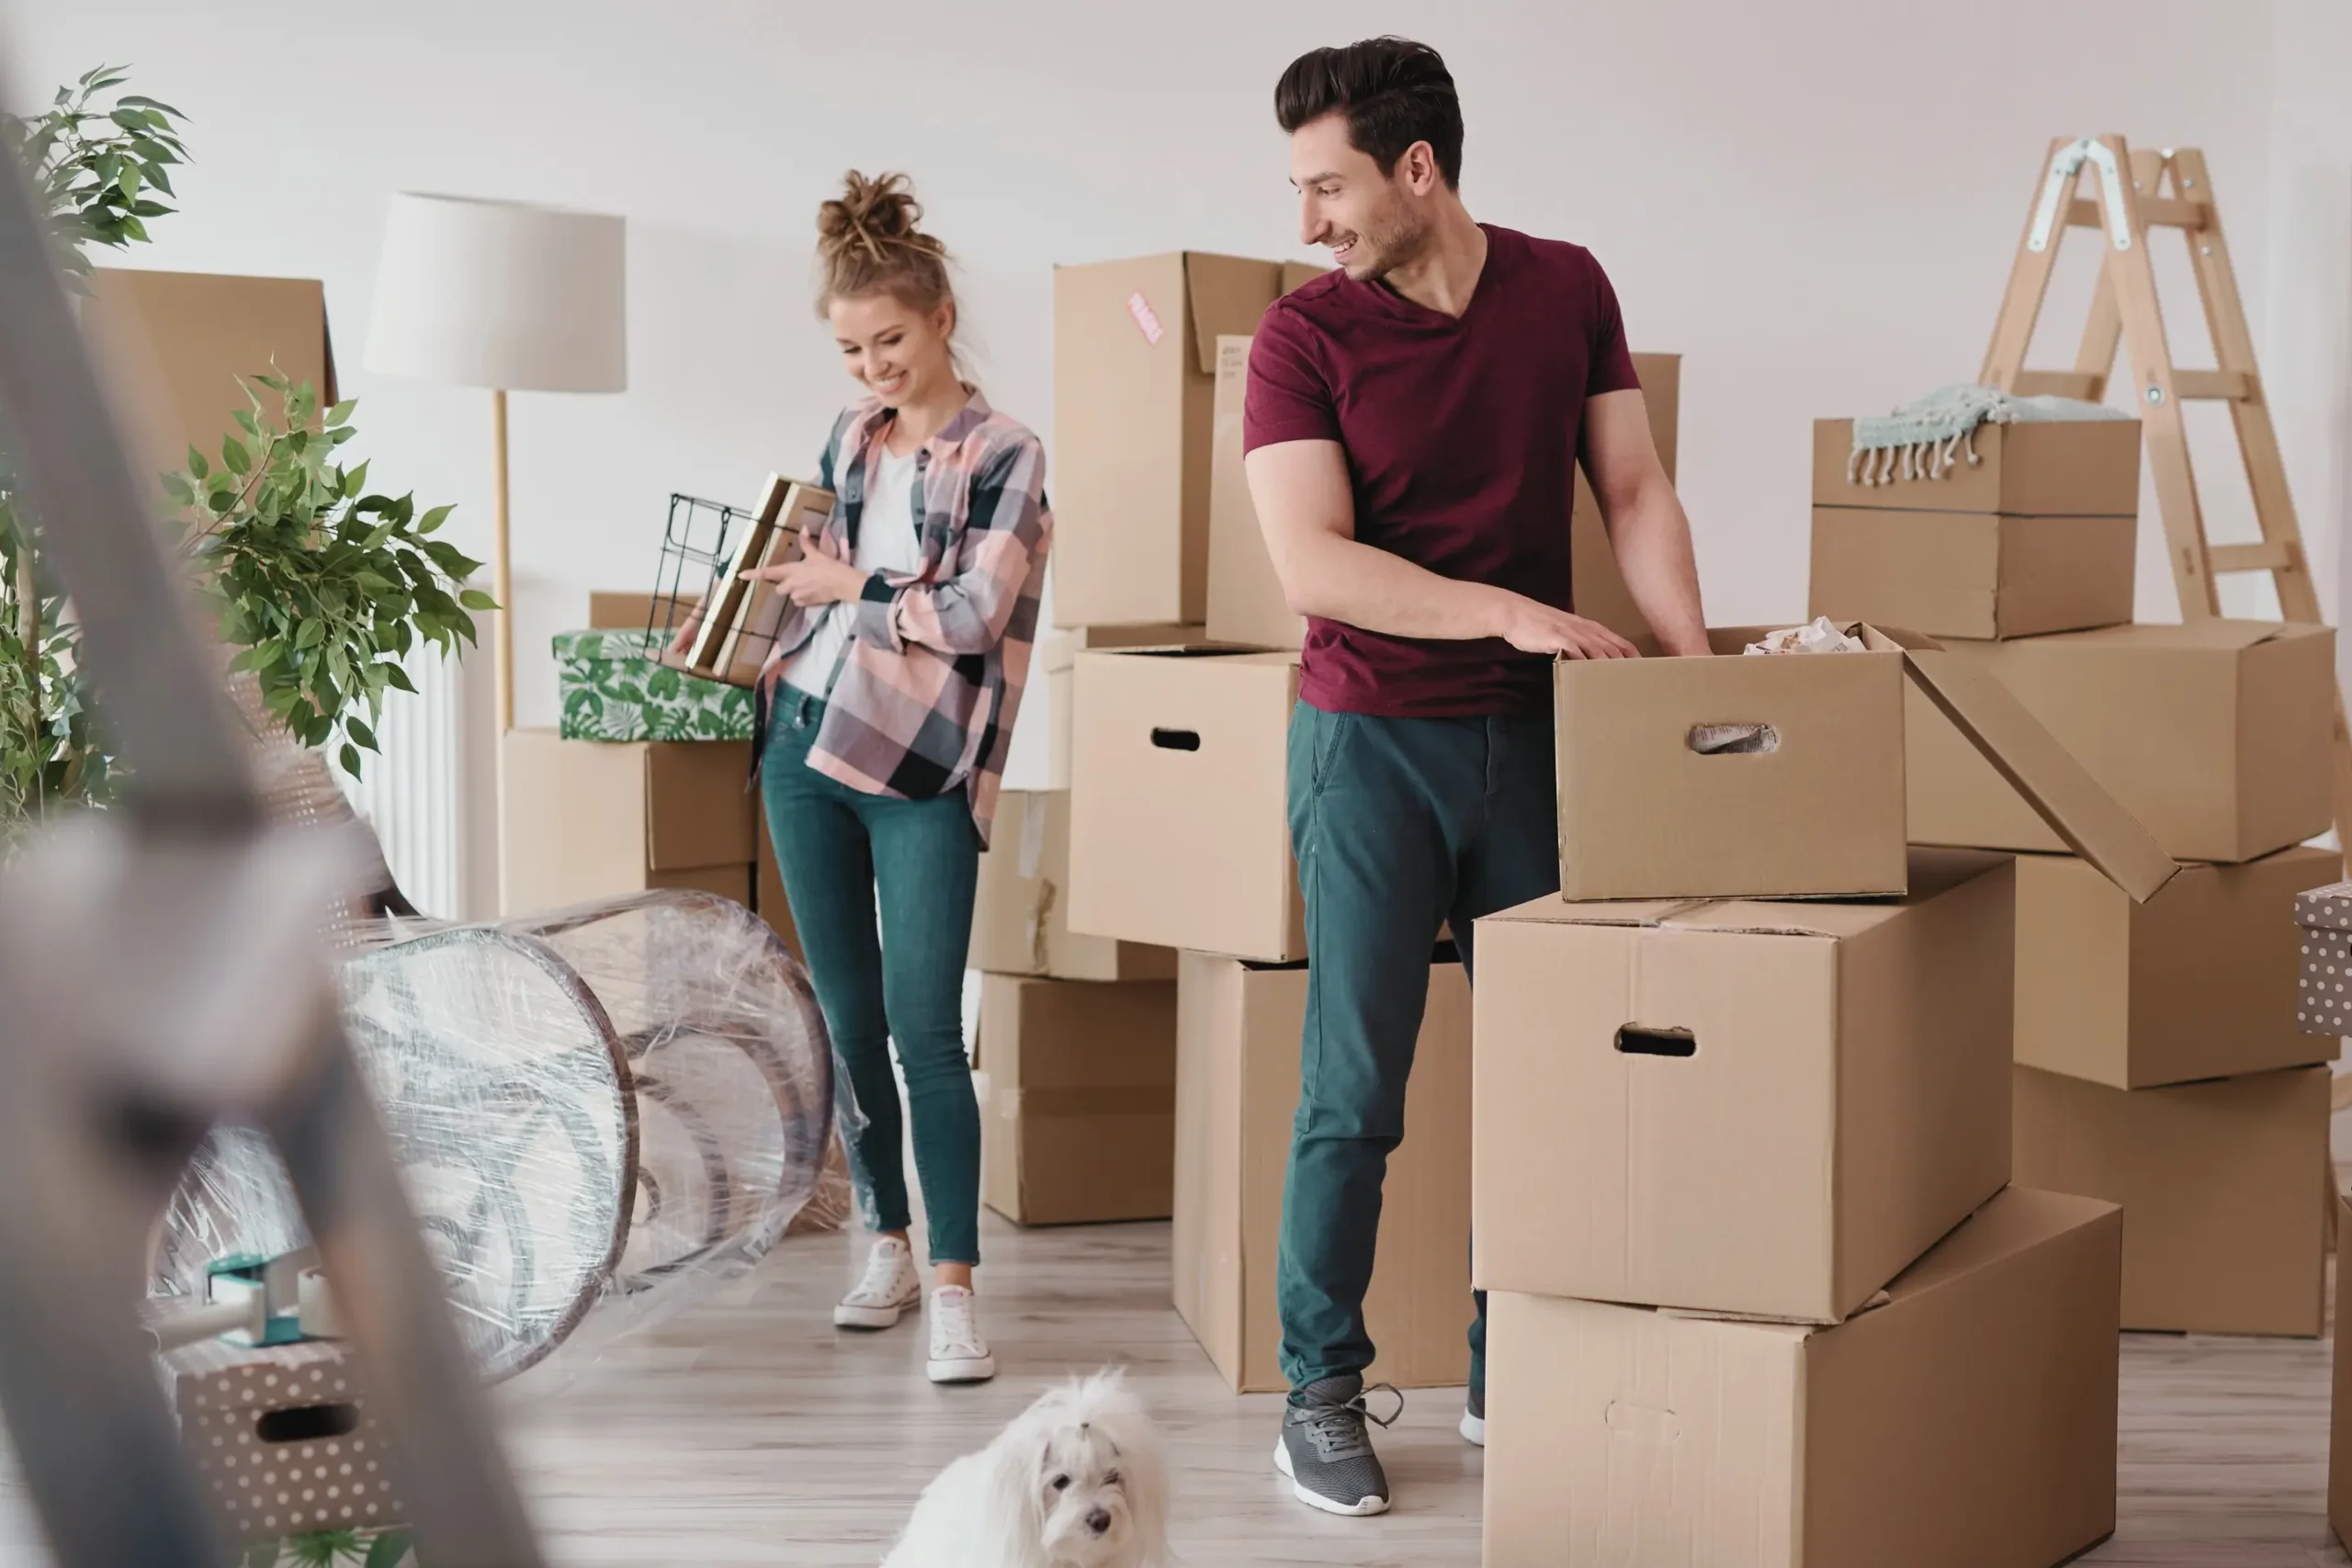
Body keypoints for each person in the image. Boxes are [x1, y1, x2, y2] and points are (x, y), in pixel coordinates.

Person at [1241, 38, 1711, 1516]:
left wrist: (1699, 672)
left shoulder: (1566, 287)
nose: (1310, 218)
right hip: (1370, 741)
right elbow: (1312, 560)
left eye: (1329, 185)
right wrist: (1505, 606)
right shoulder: (1299, 336)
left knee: (1549, 1077)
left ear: (1419, 168)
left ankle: (1516, 1362)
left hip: (1537, 748)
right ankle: (1318, 1389)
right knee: (1355, 1090)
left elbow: (1630, 488)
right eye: (1302, 189)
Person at [741, 170, 1049, 1383]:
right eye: (851, 347)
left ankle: (957, 1289)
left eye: (890, 340)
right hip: (802, 748)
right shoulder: (848, 442)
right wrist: (741, 632)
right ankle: (884, 1237)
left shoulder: (1006, 452)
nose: (872, 365)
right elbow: (812, 581)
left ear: (938, 322)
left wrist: (855, 593)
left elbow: (975, 614)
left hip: (918, 765)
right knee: (847, 1017)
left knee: (927, 1029)